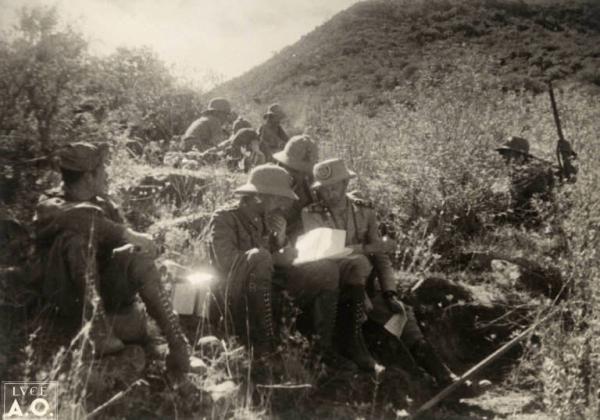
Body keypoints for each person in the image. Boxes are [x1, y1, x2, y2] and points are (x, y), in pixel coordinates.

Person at [34, 142, 190, 374]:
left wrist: (140, 249)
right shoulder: (50, 204)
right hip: (66, 299)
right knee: (77, 240)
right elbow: (77, 218)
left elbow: (124, 245)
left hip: (107, 293)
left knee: (136, 256)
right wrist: (126, 233)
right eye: (102, 169)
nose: (107, 174)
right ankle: (97, 329)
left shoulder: (104, 204)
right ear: (88, 176)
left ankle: (177, 342)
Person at [301, 158, 457, 383]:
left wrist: (390, 292)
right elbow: (325, 254)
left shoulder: (363, 210)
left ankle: (443, 374)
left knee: (401, 316)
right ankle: (415, 379)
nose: (329, 193)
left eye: (334, 187)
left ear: (345, 184)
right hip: (338, 286)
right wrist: (365, 250)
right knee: (361, 281)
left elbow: (380, 256)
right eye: (323, 189)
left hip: (367, 284)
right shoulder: (311, 214)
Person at [206, 164, 355, 370]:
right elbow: (226, 262)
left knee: (327, 271)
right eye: (277, 198)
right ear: (259, 196)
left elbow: (286, 258)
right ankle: (264, 347)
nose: (283, 205)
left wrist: (283, 240)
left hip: (270, 291)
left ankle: (321, 351)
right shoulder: (225, 218)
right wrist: (273, 258)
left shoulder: (270, 218)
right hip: (237, 294)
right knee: (260, 257)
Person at [495, 136, 555, 225]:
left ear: (521, 156)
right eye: (503, 153)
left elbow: (537, 202)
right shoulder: (517, 169)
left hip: (536, 217)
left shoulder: (534, 172)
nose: (504, 158)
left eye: (508, 154)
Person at [272, 134, 319, 237]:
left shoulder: (310, 182)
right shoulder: (268, 183)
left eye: (306, 172)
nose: (303, 175)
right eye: (295, 170)